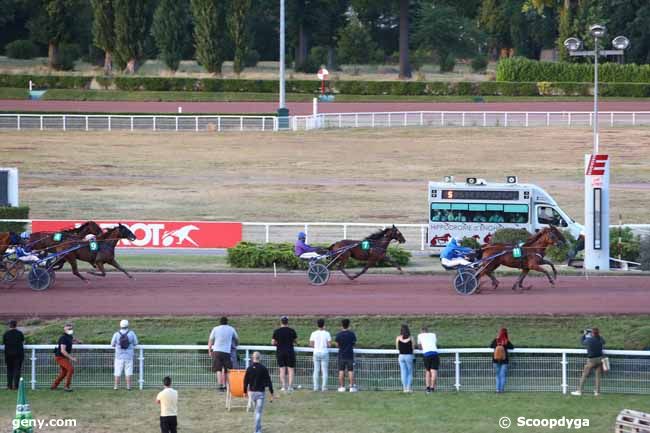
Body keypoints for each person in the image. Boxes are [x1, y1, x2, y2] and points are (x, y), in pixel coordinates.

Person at [244, 351, 274, 433]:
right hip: (260, 393)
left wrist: (244, 392)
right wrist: (272, 392)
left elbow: (245, 381)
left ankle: (258, 428)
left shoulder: (249, 369)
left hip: (252, 393)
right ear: (259, 358)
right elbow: (269, 381)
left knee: (256, 412)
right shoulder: (263, 368)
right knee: (258, 412)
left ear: (252, 358)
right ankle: (257, 430)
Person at [572, 327, 605, 396]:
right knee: (598, 376)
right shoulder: (600, 339)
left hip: (592, 360)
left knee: (584, 375)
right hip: (600, 359)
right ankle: (597, 392)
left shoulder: (589, 340)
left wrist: (584, 334)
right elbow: (603, 341)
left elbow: (582, 342)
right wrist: (598, 335)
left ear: (592, 333)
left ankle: (579, 391)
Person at [208, 317, 239, 392]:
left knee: (218, 369)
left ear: (220, 322)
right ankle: (225, 385)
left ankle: (220, 386)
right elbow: (237, 338)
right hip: (226, 352)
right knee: (226, 370)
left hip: (216, 351)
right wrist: (236, 345)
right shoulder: (231, 329)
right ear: (227, 322)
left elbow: (211, 340)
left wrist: (209, 351)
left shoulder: (215, 329)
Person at [272, 316, 298, 392]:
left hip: (280, 352)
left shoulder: (277, 331)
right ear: (287, 322)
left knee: (282, 370)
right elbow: (296, 341)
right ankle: (290, 387)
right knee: (291, 369)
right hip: (290, 351)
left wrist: (278, 343)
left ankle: (283, 386)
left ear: (281, 322)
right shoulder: (292, 331)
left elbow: (273, 342)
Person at [110, 319, 138, 390]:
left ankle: (116, 386)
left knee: (117, 372)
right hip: (129, 356)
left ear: (120, 325)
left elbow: (112, 344)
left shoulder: (116, 334)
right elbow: (136, 343)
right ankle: (128, 387)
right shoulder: (131, 333)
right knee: (128, 372)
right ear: (128, 325)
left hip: (119, 356)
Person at [51, 323, 77, 392]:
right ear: (65, 330)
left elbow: (73, 340)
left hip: (64, 357)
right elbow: (63, 350)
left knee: (64, 372)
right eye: (69, 329)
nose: (71, 330)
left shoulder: (70, 336)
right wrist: (72, 358)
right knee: (70, 369)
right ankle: (67, 386)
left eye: (71, 328)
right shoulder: (63, 338)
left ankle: (54, 386)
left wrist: (78, 341)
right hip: (60, 357)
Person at [335, 318, 357, 392]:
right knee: (350, 371)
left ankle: (341, 387)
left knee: (341, 371)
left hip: (341, 355)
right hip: (350, 355)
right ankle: (351, 387)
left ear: (342, 325)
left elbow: (337, 345)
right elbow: (354, 344)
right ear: (348, 325)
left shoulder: (339, 334)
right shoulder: (352, 334)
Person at [309, 318, 331, 392]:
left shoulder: (313, 333)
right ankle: (324, 387)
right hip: (324, 352)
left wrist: (316, 346)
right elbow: (329, 344)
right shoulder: (327, 333)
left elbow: (311, 344)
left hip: (316, 352)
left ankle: (316, 387)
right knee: (324, 371)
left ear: (317, 325)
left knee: (316, 370)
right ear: (324, 325)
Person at [490, 328, 515, 393]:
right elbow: (512, 347)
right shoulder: (506, 341)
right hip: (504, 360)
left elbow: (491, 346)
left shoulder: (496, 340)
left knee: (497, 375)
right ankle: (502, 390)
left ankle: (497, 390)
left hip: (496, 360)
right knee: (503, 375)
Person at [3, 320, 24, 390]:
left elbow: (4, 342)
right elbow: (23, 341)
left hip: (8, 355)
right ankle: (16, 386)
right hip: (18, 355)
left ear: (10, 325)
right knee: (17, 370)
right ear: (16, 325)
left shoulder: (6, 334)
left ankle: (9, 386)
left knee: (9, 370)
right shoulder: (20, 333)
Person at [417, 326, 439, 393]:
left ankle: (427, 388)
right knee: (434, 371)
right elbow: (434, 343)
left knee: (427, 371)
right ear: (427, 331)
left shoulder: (420, 335)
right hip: (435, 354)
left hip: (426, 354)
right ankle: (432, 388)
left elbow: (420, 346)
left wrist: (422, 347)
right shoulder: (433, 335)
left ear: (421, 331)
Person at [396, 324, 414, 393]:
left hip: (401, 356)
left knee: (403, 372)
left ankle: (404, 389)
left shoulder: (398, 338)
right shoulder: (411, 338)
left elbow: (397, 348)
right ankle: (408, 388)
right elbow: (412, 348)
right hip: (409, 356)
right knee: (409, 372)